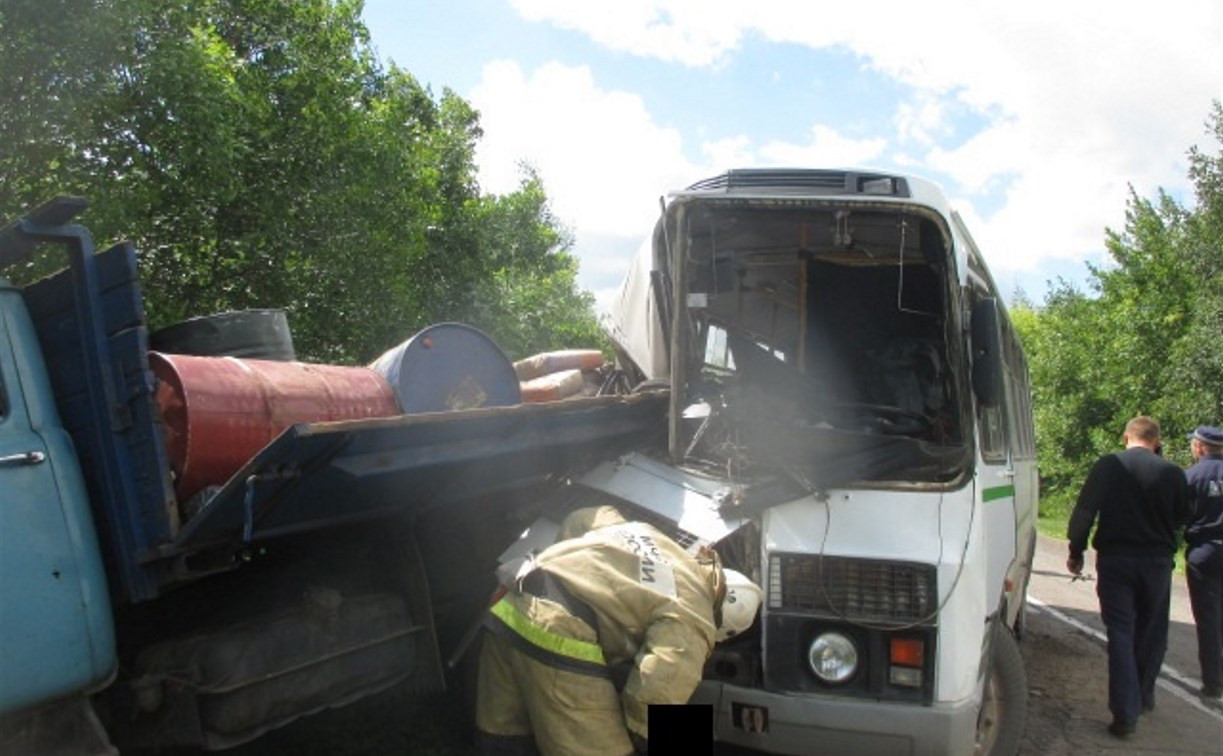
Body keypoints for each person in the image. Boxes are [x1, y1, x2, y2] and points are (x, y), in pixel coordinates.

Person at [474, 505, 762, 755]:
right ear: (720, 623)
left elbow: (581, 518)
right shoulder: (695, 613)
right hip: (558, 630)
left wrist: (569, 574)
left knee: (506, 735)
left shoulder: (661, 543)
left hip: (514, 598)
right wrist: (641, 738)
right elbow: (655, 694)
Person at [1067, 416, 1190, 738]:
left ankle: (1125, 712)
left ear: (1126, 438)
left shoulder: (1109, 466)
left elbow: (1084, 511)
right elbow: (1183, 518)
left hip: (1116, 560)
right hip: (1157, 563)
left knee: (1121, 633)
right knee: (1152, 631)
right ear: (1157, 441)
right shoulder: (1173, 472)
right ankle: (1144, 695)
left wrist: (1075, 550)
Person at [1184, 425, 1223, 700]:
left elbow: (1178, 516)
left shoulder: (1192, 476)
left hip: (1205, 551)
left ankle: (1213, 683)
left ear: (1199, 447)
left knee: (1208, 618)